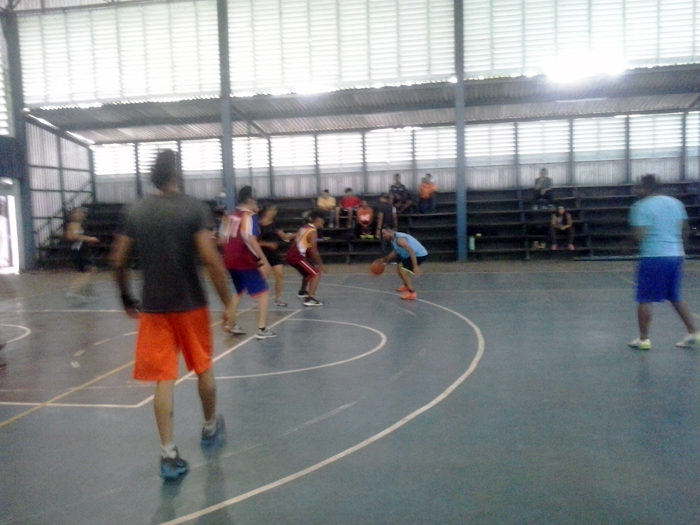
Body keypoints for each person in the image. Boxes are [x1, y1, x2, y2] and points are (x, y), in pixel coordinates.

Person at [111, 149, 234, 480]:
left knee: (164, 379)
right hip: (191, 304)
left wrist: (126, 297)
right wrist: (228, 302)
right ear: (177, 172)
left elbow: (118, 261)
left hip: (154, 308)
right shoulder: (194, 208)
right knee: (203, 369)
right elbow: (210, 259)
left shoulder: (135, 211)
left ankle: (168, 454)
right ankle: (210, 426)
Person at [628, 174, 699, 351]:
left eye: (639, 187)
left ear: (646, 187)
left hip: (653, 256)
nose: (636, 190)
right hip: (675, 255)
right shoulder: (676, 203)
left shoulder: (641, 206)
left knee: (645, 298)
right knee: (675, 295)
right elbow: (685, 229)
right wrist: (681, 249)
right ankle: (693, 332)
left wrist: (626, 243)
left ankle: (644, 339)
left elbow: (640, 234)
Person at [219, 186, 276, 339]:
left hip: (230, 260)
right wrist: (263, 261)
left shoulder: (231, 215)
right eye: (255, 200)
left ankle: (230, 324)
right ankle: (262, 329)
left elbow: (222, 239)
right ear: (250, 200)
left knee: (238, 291)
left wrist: (230, 252)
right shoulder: (249, 216)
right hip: (243, 260)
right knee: (263, 293)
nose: (256, 203)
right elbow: (250, 238)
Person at [286, 209, 327, 306]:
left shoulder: (304, 227)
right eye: (323, 220)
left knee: (308, 272)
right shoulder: (312, 232)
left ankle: (302, 292)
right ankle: (309, 299)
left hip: (293, 255)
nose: (323, 222)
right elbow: (314, 251)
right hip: (296, 256)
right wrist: (320, 264)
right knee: (316, 273)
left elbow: (298, 241)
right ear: (319, 220)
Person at [373, 227, 428, 300]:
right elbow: (396, 251)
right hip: (413, 255)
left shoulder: (400, 240)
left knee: (402, 269)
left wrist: (415, 266)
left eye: (384, 234)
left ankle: (412, 292)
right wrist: (384, 260)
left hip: (419, 255)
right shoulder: (393, 239)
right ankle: (406, 285)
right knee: (399, 267)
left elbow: (411, 250)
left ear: (389, 232)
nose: (383, 236)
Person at [258, 202, 295, 307]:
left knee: (280, 274)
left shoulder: (275, 224)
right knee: (264, 276)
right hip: (262, 253)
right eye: (274, 210)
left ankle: (278, 298)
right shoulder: (258, 224)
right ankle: (259, 298)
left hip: (274, 253)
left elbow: (284, 236)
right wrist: (268, 244)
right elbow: (255, 241)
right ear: (267, 211)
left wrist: (296, 234)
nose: (275, 212)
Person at [65, 207, 100, 300]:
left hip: (78, 250)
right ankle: (74, 291)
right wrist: (90, 238)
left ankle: (86, 290)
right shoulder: (75, 224)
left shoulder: (73, 225)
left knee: (87, 271)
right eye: (80, 213)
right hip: (80, 251)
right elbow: (74, 236)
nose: (83, 215)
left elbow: (70, 237)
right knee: (88, 271)